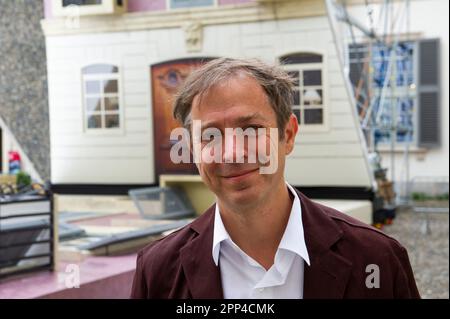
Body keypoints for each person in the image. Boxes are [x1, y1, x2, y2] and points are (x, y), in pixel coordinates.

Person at [130, 58, 420, 299]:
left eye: (252, 128)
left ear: (288, 135)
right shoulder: (158, 272)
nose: (232, 153)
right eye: (210, 135)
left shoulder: (377, 259)